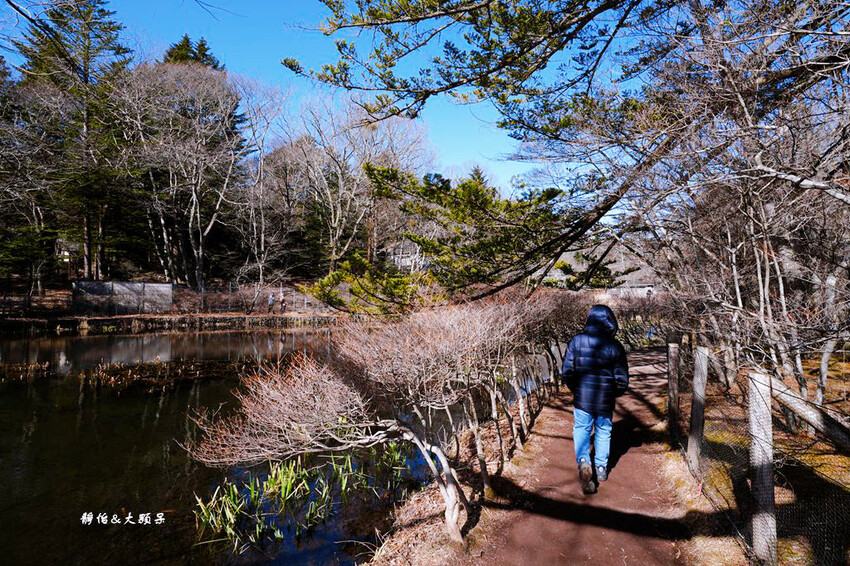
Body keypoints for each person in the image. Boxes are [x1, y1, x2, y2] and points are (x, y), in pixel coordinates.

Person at [560, 304, 629, 494]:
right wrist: (615, 392)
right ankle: (600, 468)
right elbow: (622, 378)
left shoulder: (576, 341)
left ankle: (583, 461)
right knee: (604, 430)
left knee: (581, 428)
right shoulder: (615, 345)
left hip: (582, 396)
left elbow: (567, 371)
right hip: (605, 397)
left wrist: (576, 389)